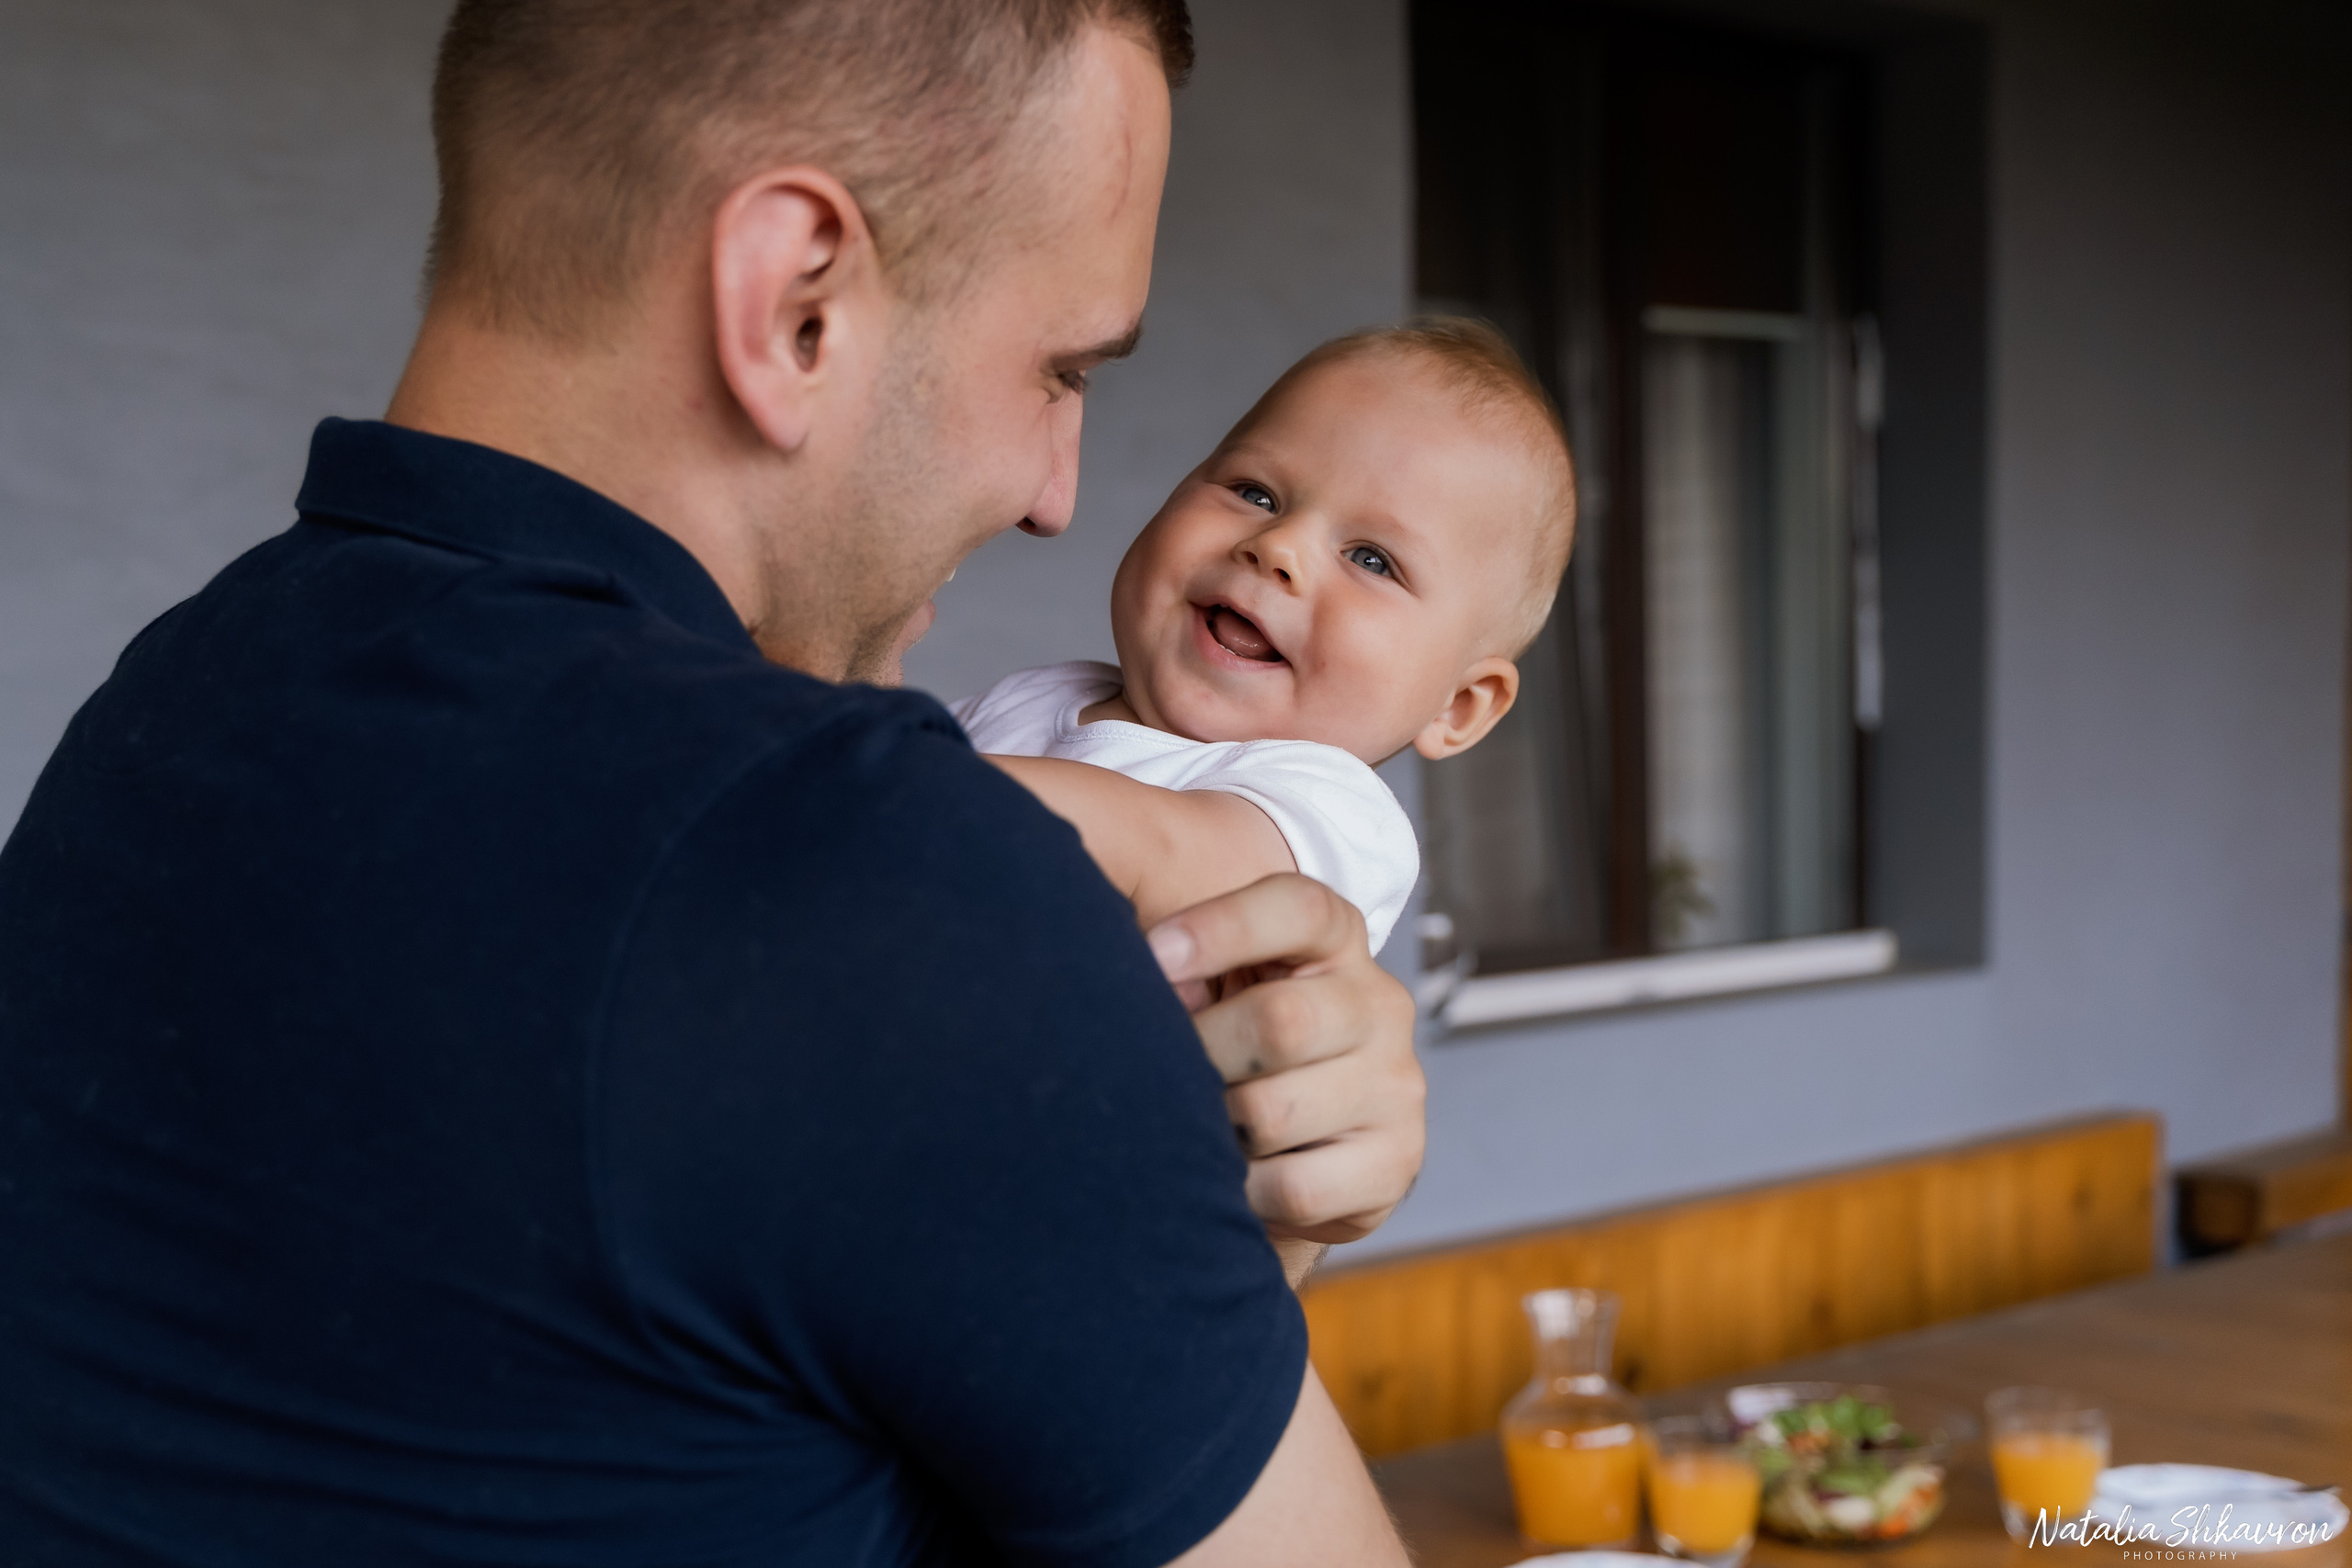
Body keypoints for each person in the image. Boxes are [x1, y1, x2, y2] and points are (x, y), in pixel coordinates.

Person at [0, 2, 1424, 1563]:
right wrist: (1243, 1211)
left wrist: (1203, 1216)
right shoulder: (861, 864)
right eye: (1060, 370)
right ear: (796, 302)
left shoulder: (161, 709)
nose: (1055, 495)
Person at [953, 320, 1576, 947]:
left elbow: (1162, 853)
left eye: (1371, 559)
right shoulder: (1033, 699)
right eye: (1256, 493)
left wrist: (908, 776)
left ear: (1459, 706)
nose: (1278, 546)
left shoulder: (1333, 816)